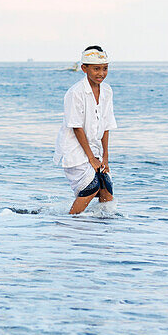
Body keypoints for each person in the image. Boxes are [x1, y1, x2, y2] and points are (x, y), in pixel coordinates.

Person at [54, 46, 117, 215]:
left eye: (105, 68)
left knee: (106, 190)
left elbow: (107, 125)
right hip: (75, 149)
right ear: (84, 68)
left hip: (95, 149)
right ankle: (70, 223)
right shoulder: (75, 92)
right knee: (91, 188)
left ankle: (100, 232)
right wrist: (91, 158)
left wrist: (105, 157)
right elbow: (76, 126)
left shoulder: (107, 91)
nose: (101, 73)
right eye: (96, 69)